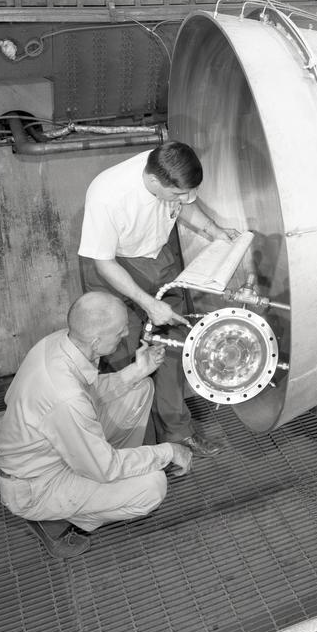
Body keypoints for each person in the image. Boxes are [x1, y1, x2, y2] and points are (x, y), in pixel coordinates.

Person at [0, 292, 193, 558]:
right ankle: (57, 520)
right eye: (120, 331)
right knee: (152, 486)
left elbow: (90, 393)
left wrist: (136, 371)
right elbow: (104, 463)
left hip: (56, 450)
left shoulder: (59, 343)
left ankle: (100, 482)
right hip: (36, 485)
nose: (125, 334)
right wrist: (169, 451)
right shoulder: (64, 397)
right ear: (97, 340)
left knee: (139, 388)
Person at [78, 140, 235, 457]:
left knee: (172, 349)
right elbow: (103, 262)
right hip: (114, 268)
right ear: (153, 182)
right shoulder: (107, 195)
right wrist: (148, 304)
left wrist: (215, 231)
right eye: (178, 194)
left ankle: (178, 434)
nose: (184, 199)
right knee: (124, 358)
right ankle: (134, 447)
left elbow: (187, 203)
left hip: (156, 257)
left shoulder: (169, 170)